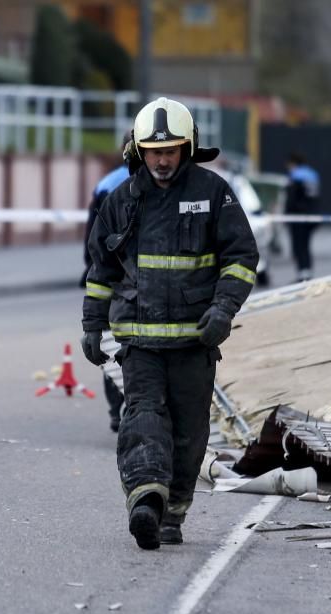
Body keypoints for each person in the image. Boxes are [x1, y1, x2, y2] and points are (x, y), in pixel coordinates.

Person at [81, 97, 259, 550]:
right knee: (142, 417)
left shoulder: (213, 193)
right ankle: (146, 499)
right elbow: (101, 269)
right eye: (154, 151)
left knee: (188, 432)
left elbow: (241, 259)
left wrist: (222, 311)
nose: (162, 160)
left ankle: (172, 512)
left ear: (188, 148)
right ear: (139, 151)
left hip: (194, 343)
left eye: (172, 150)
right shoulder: (122, 202)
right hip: (139, 342)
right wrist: (91, 324)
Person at [80, 134, 137, 433]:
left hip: (113, 278)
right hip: (132, 278)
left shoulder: (107, 183)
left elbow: (93, 235)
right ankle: (127, 409)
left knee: (114, 342)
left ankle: (118, 410)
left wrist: (90, 268)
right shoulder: (157, 185)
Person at [284, 152, 321, 281]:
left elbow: (291, 200)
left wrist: (286, 215)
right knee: (306, 245)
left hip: (297, 217)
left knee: (298, 245)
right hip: (312, 215)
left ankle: (302, 273)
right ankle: (307, 271)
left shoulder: (295, 176)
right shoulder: (312, 174)